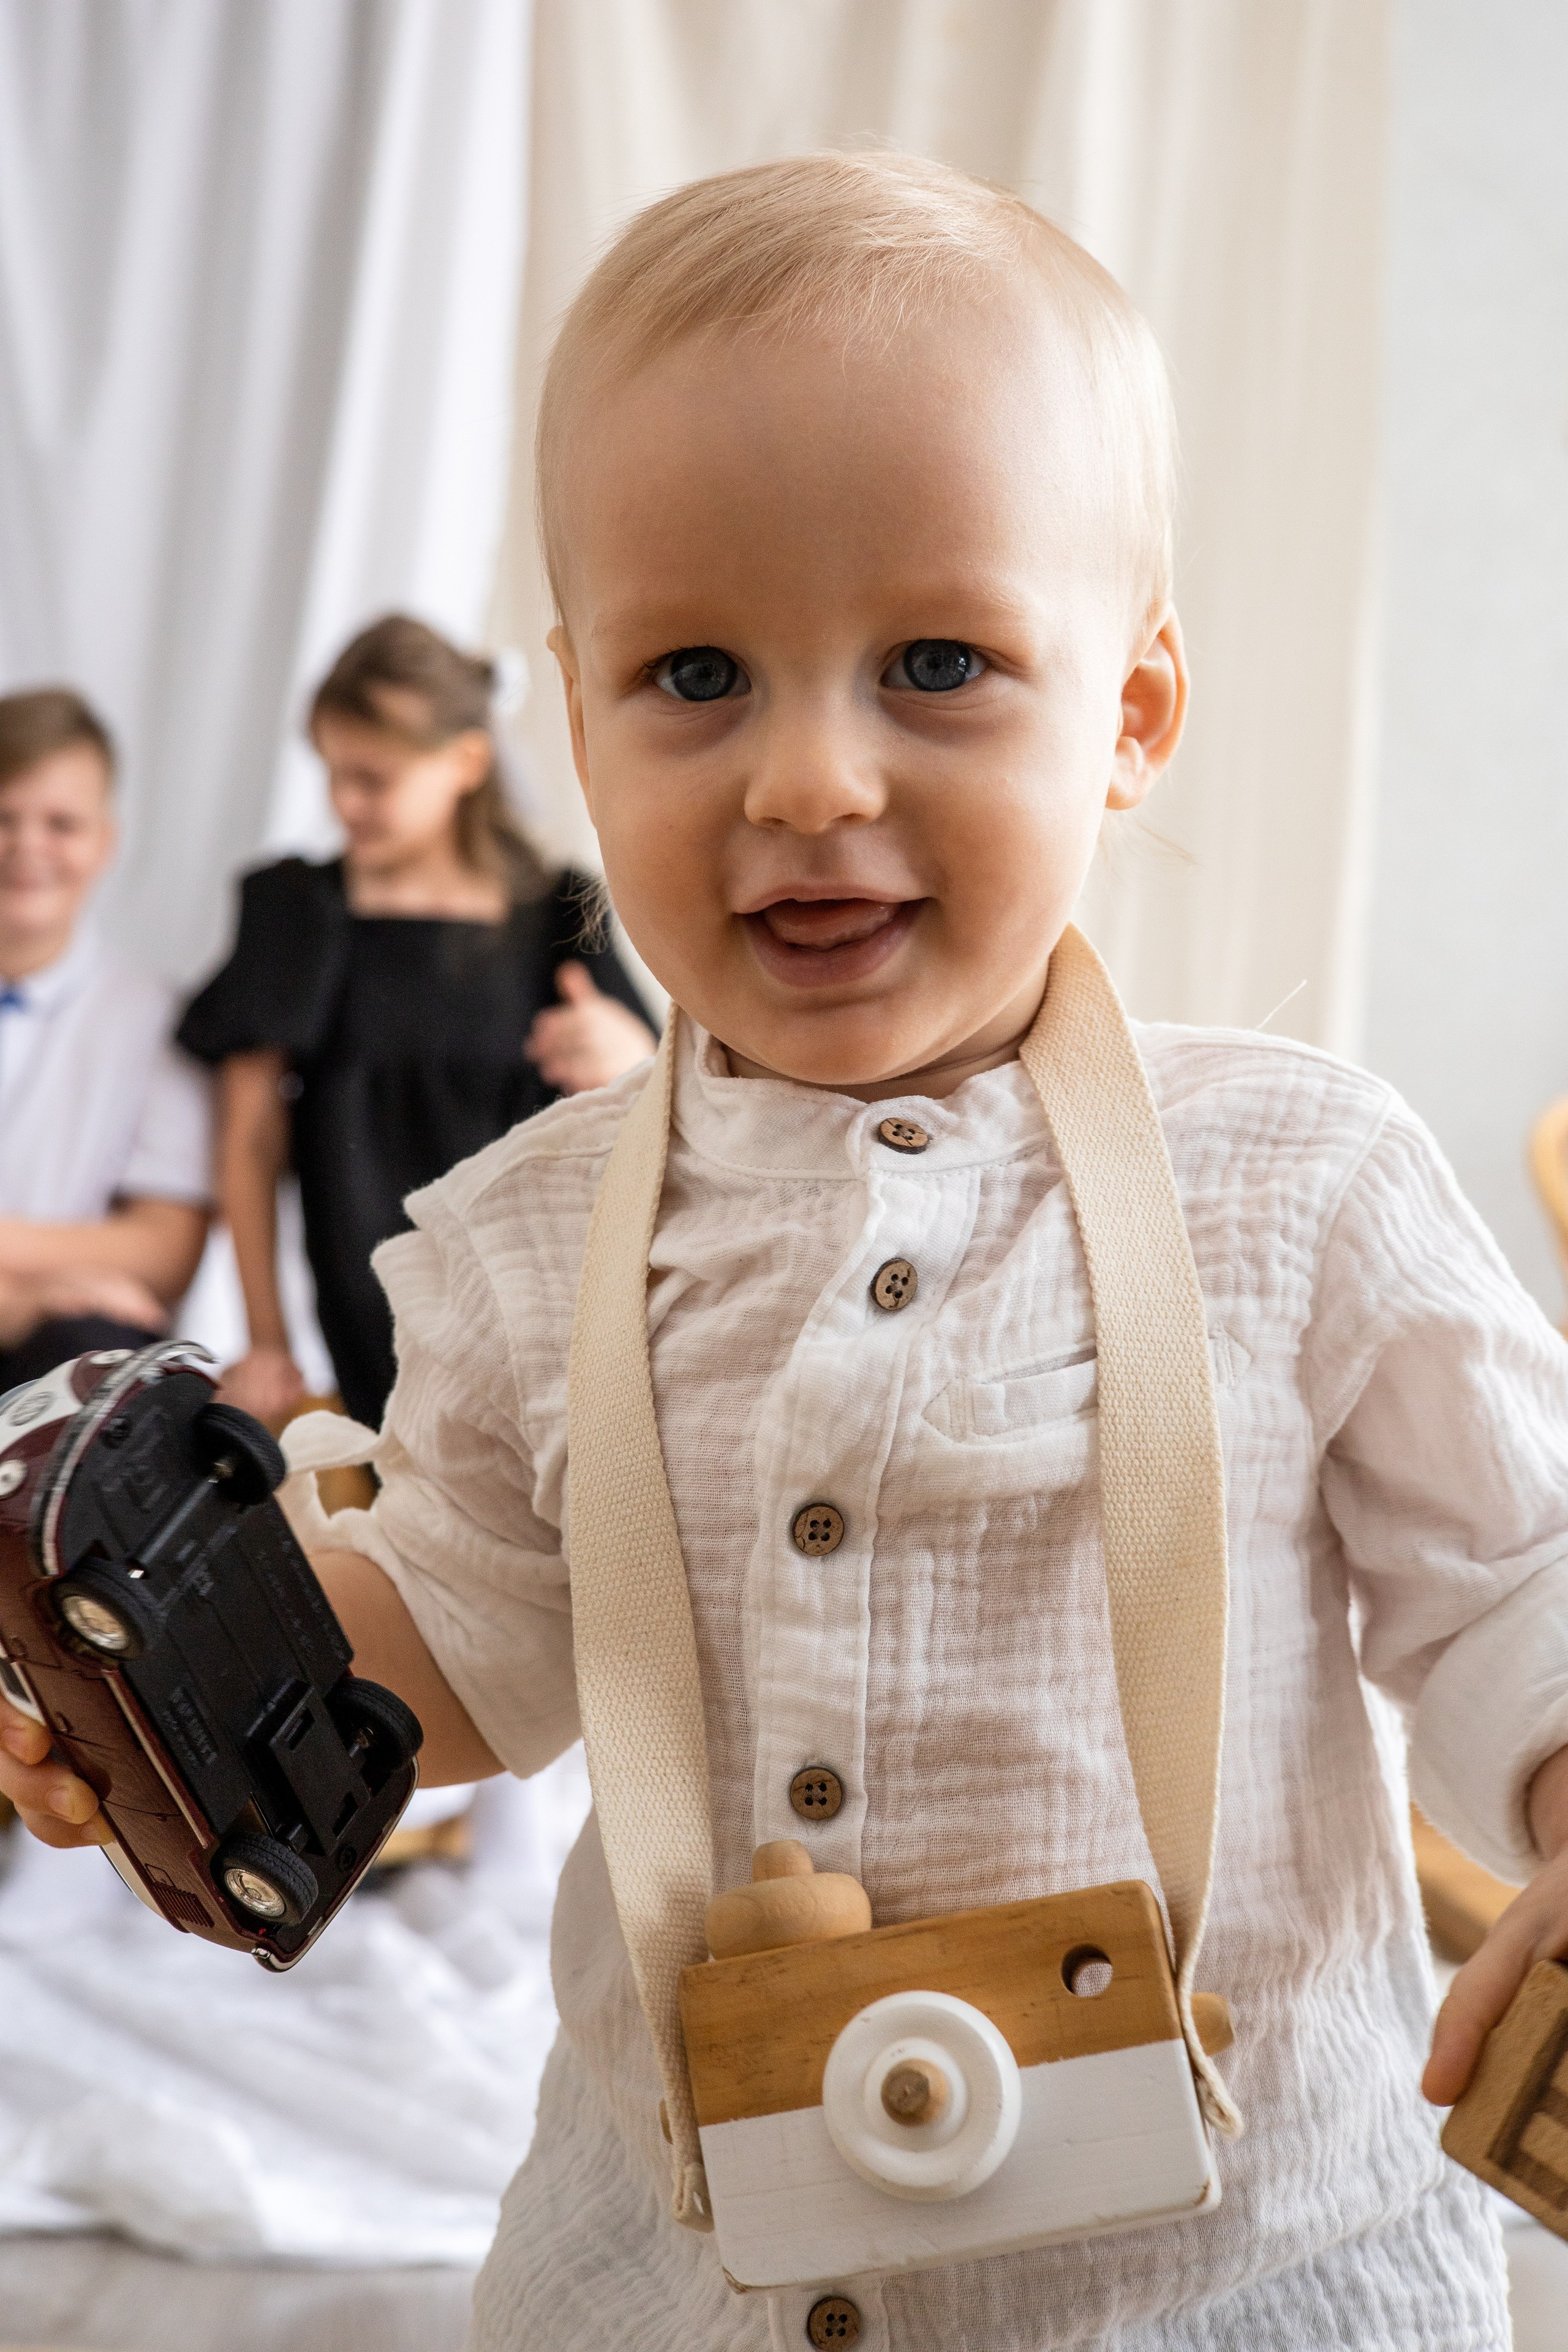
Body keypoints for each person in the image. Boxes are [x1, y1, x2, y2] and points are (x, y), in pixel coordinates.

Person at [7, 153, 1567, 2352]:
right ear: (573, 719)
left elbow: (1519, 1577)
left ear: (1124, 711)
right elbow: (462, 1624)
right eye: (696, 674)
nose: (809, 776)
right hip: (677, 2282)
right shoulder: (530, 1233)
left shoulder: (1294, 1177)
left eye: (935, 662)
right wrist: (168, 1694)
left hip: (1234, 2283)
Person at [178, 616, 655, 1431]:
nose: (343, 803)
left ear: (466, 763)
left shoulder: (557, 911)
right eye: (331, 773)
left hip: (540, 1307)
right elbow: (248, 1138)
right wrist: (266, 1339)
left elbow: (659, 1101)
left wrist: (630, 1053)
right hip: (370, 1316)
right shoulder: (297, 910)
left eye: (372, 778)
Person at [0, 687, 209, 1393]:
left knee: (100, 1353)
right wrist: (20, 1297)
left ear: (104, 842)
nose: (27, 847)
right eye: (3, 818)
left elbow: (163, 1248)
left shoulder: (158, 1020)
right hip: (30, 1311)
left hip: (52, 1359)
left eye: (61, 823)